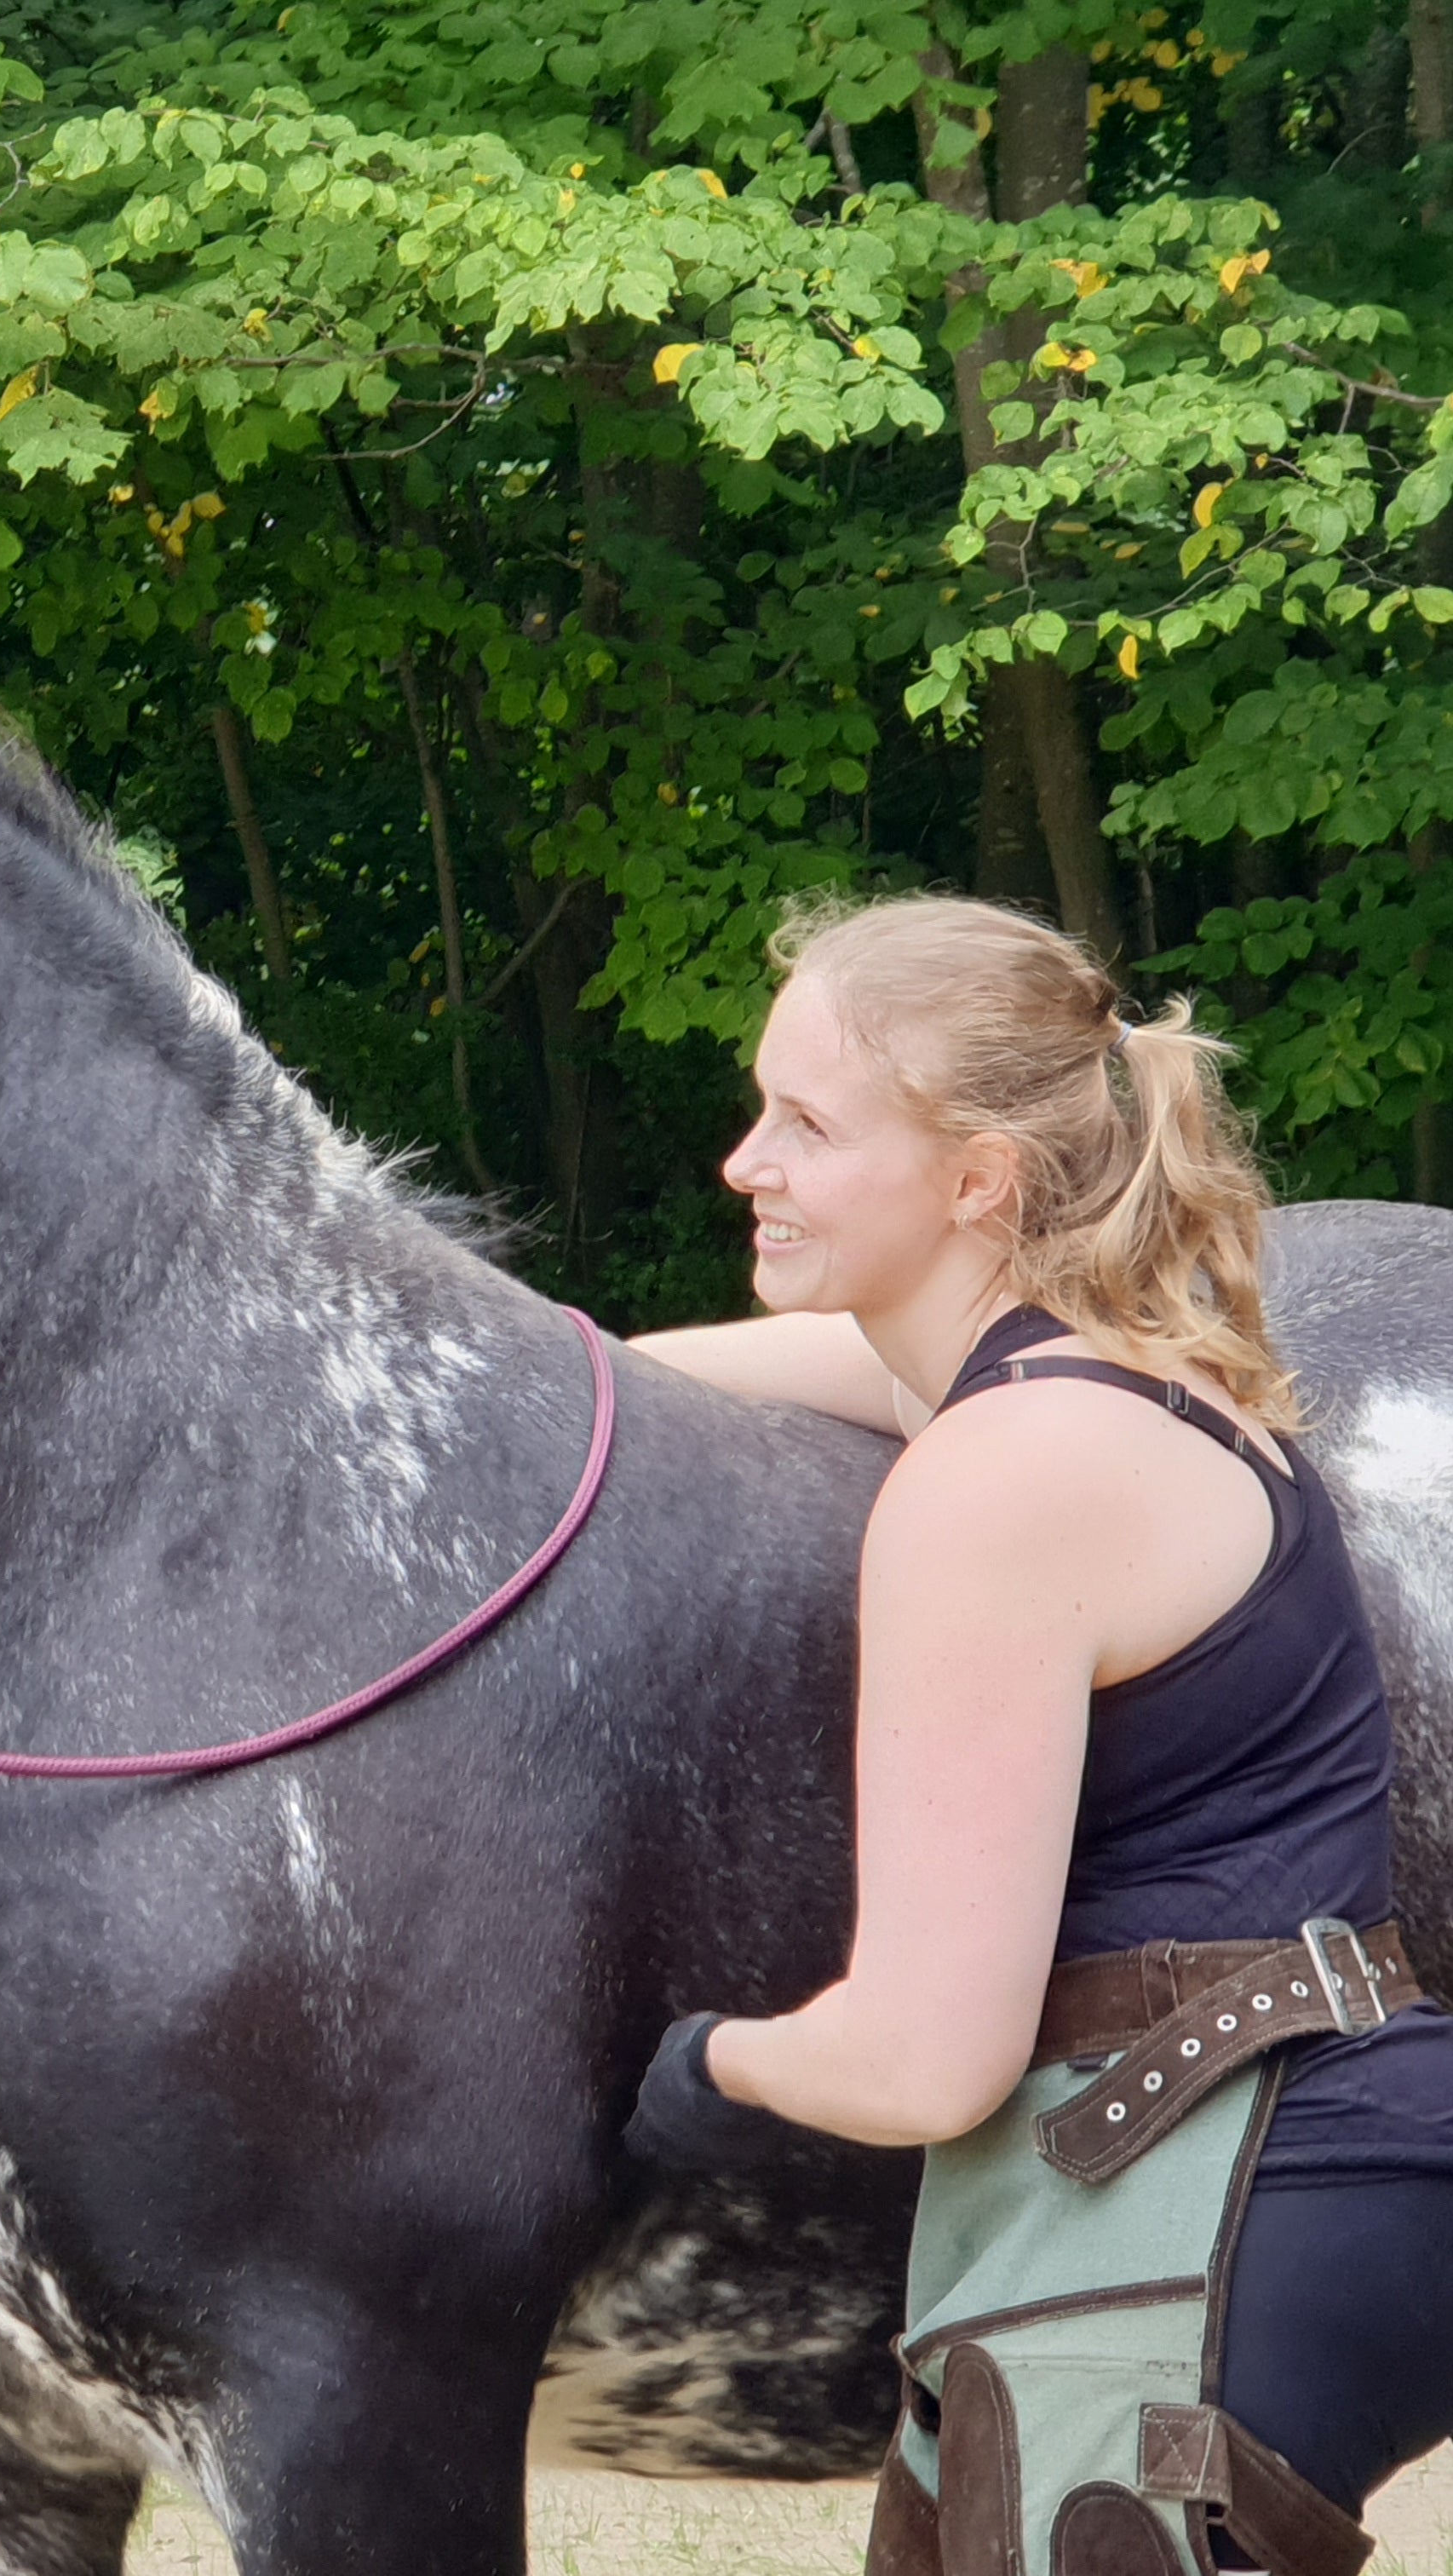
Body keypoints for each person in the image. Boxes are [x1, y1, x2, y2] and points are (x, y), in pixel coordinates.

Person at [622, 894, 1453, 2576]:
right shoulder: (1120, 1377)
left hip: (1223, 2222)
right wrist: (563, 1371)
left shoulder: (1000, 1486)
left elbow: (929, 2055)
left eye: (805, 1125)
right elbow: (840, 1368)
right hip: (1312, 2157)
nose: (744, 1164)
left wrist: (690, 2069)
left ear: (978, 1180)